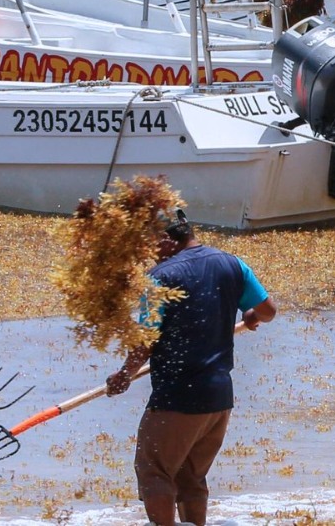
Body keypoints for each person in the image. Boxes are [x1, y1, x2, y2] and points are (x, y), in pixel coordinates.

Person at [105, 211, 276, 526]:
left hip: (178, 396)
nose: (151, 254)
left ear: (167, 239)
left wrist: (124, 376)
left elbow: (146, 341)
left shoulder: (161, 277)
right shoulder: (232, 264)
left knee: (154, 471)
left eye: (151, 246)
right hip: (219, 398)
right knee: (190, 477)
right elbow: (268, 310)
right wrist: (250, 314)